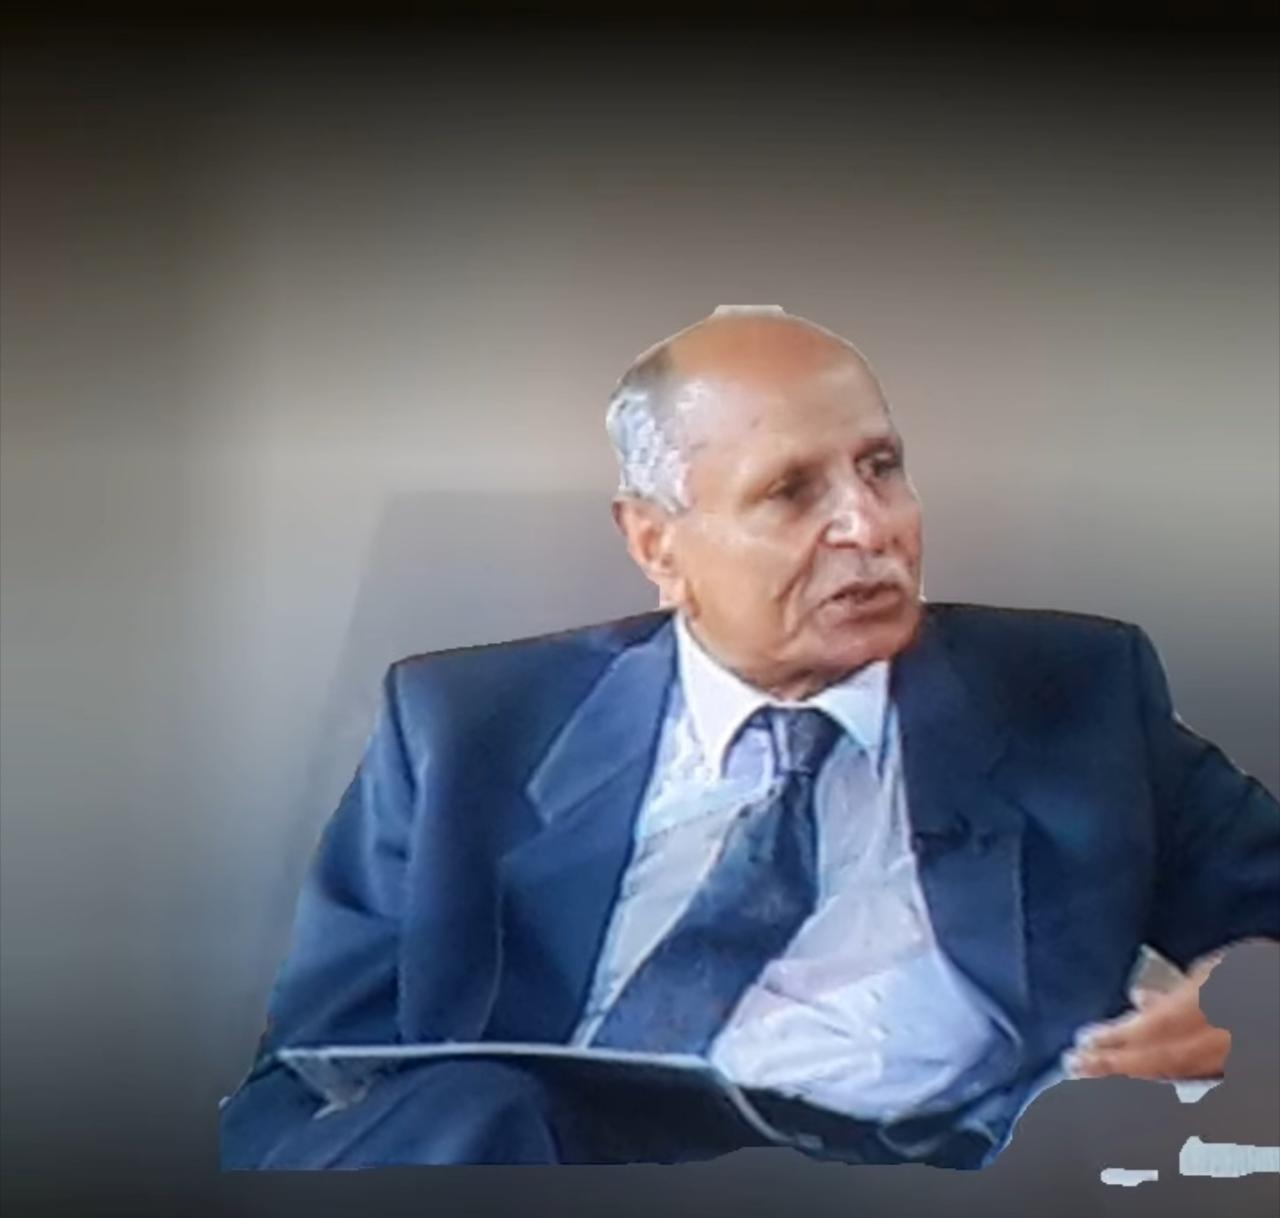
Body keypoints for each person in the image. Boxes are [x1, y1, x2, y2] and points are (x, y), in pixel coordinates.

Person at [219, 306, 1279, 1170]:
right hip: (550, 1167)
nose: (869, 527)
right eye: (790, 492)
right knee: (468, 1111)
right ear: (656, 544)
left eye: (880, 467)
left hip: (948, 1175)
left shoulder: (1073, 696)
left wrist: (1244, 1016)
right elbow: (307, 1085)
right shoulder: (466, 731)